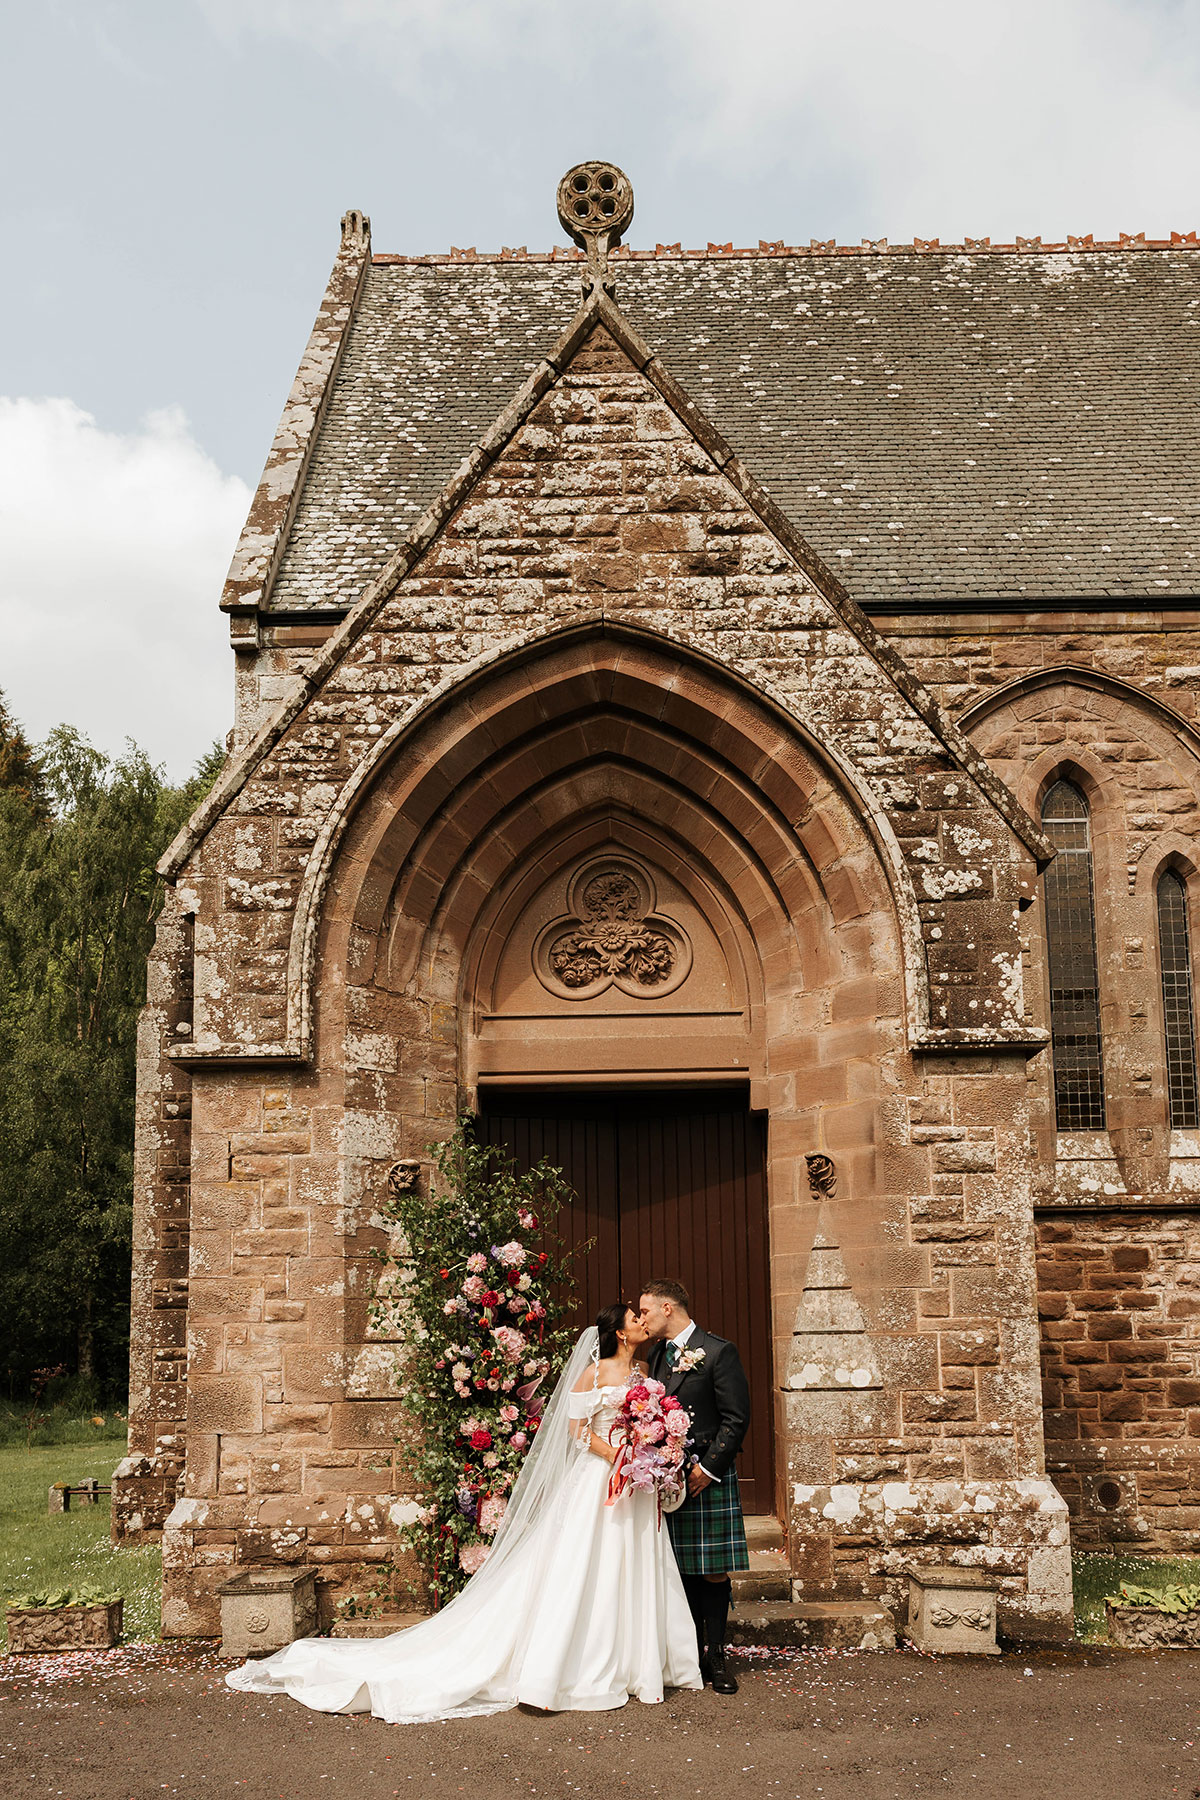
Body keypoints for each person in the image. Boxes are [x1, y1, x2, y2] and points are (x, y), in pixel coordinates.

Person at [225, 1304, 702, 1721]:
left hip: (635, 1484)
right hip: (600, 1480)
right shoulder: (592, 1375)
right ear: (619, 1331)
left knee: (632, 1564)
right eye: (635, 1318)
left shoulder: (645, 1375)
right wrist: (616, 1457)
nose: (643, 1322)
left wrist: (651, 1450)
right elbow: (576, 1432)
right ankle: (573, 1665)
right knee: (586, 1566)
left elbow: (649, 1422)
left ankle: (638, 1662)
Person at [639, 1279, 751, 1696]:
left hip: (707, 1474)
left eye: (646, 1310)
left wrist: (709, 1468)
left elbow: (736, 1418)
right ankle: (691, 1653)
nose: (642, 1318)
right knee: (681, 1568)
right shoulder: (656, 1356)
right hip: (667, 1476)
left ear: (668, 1308)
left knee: (712, 1570)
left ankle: (717, 1656)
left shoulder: (718, 1351)